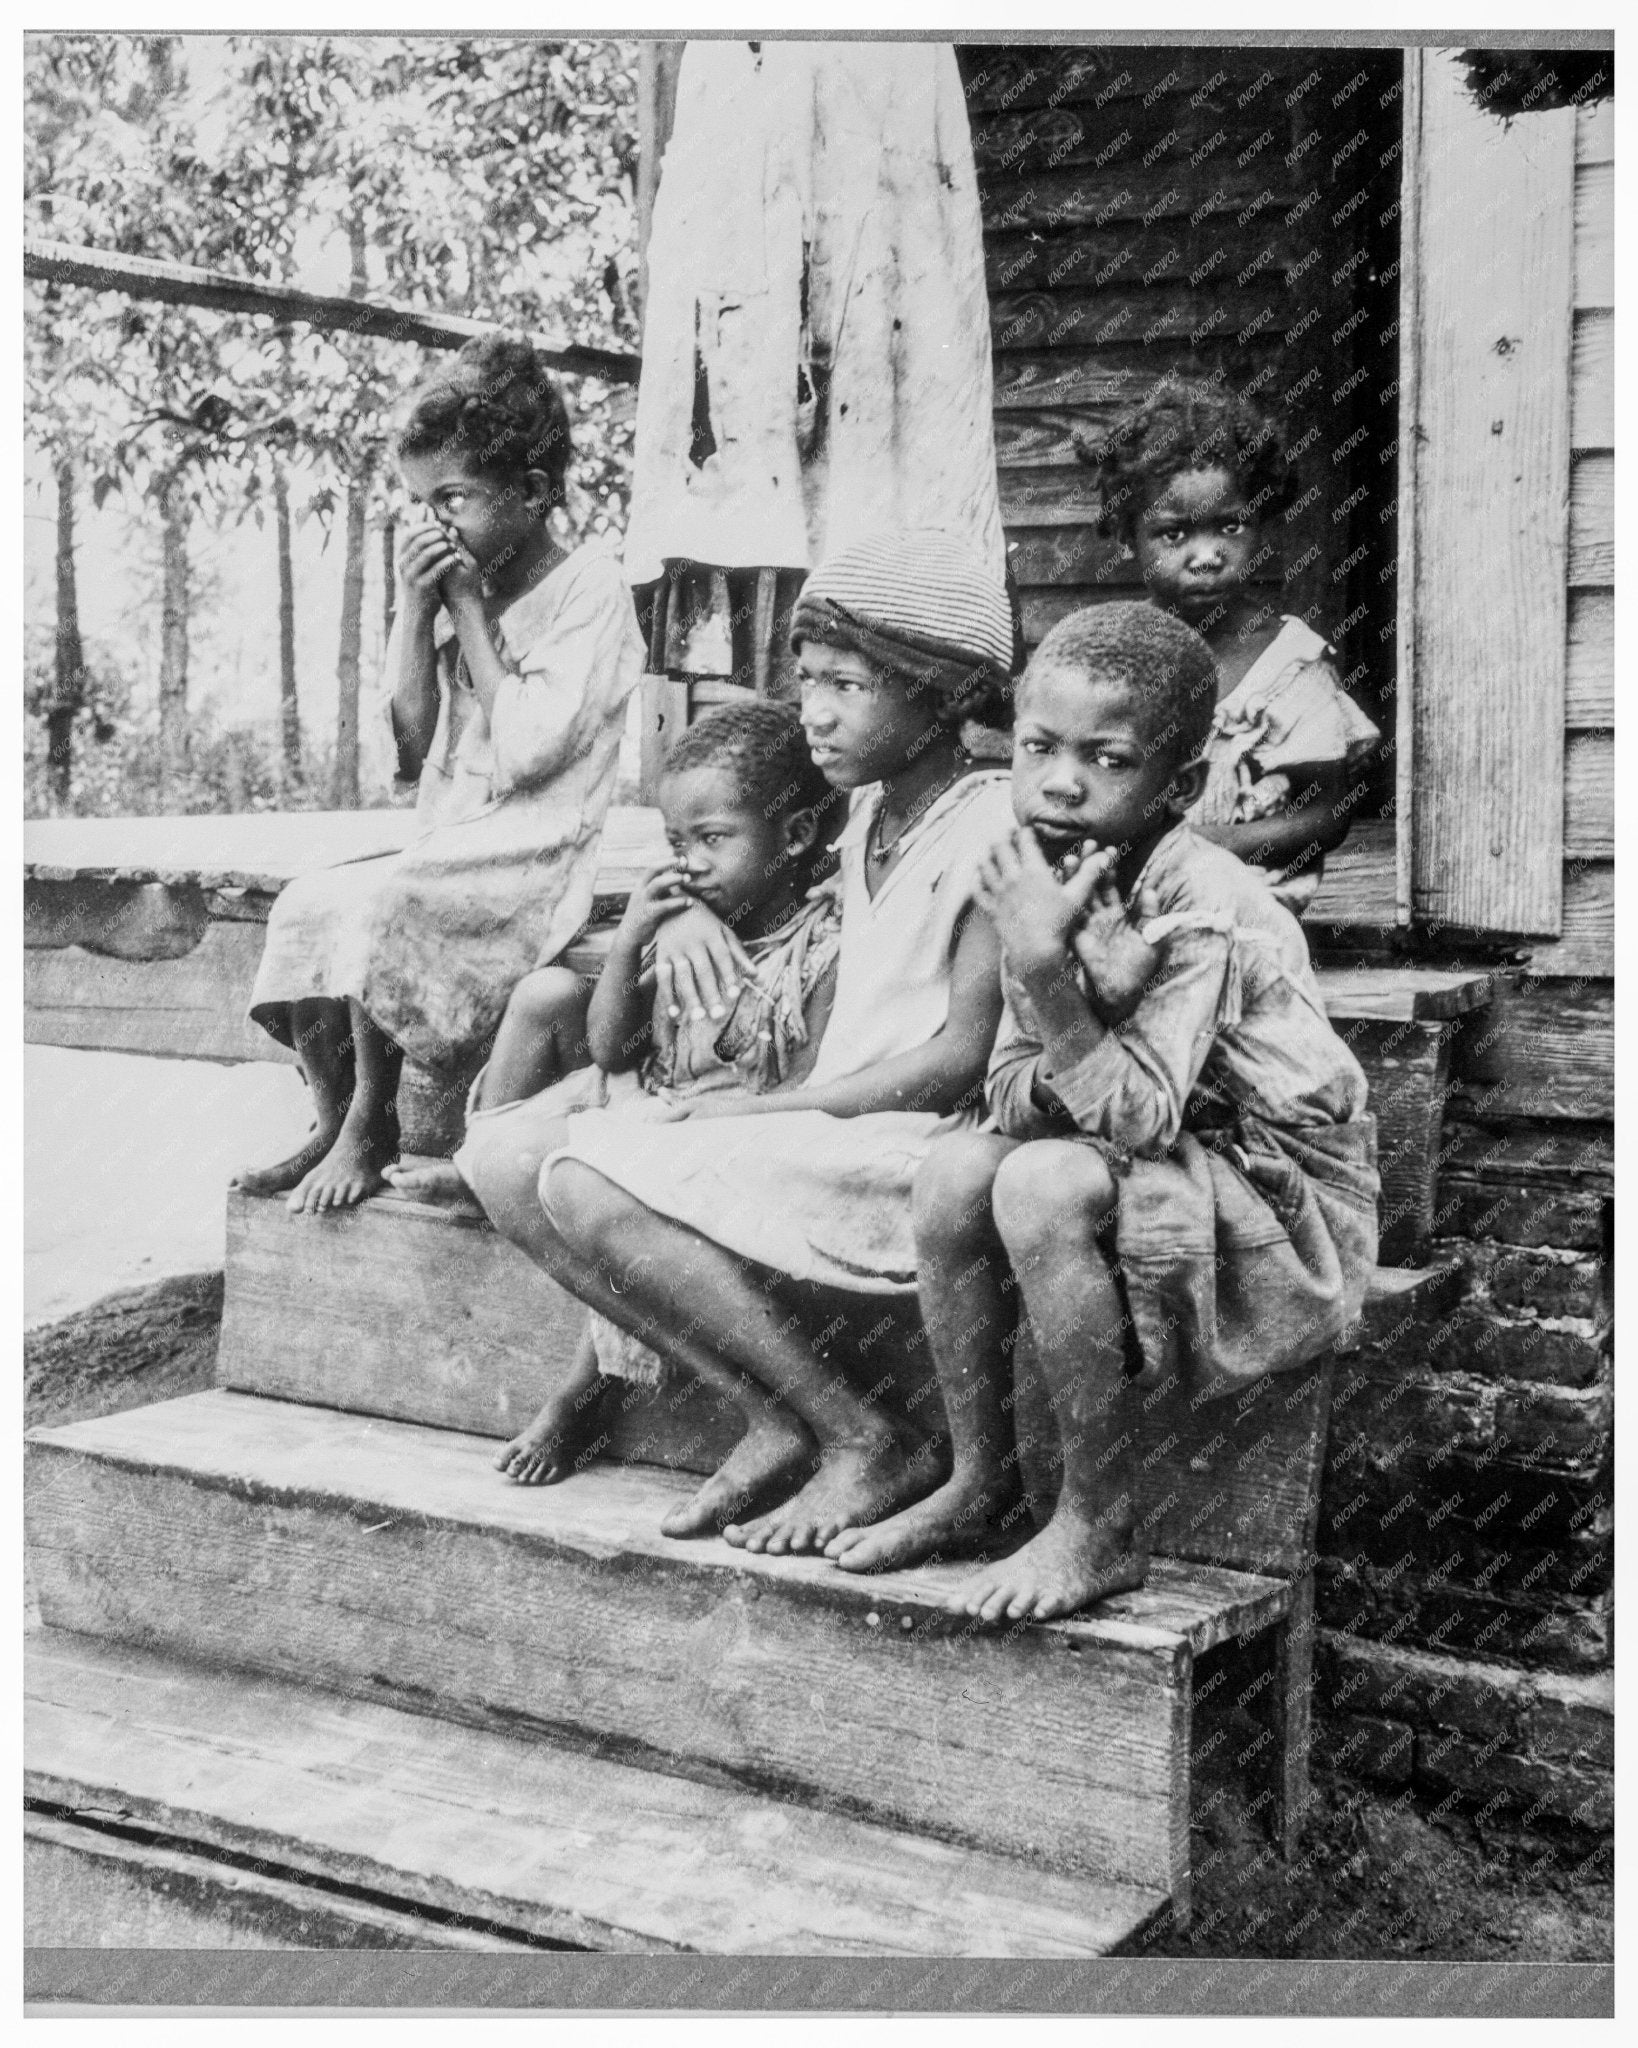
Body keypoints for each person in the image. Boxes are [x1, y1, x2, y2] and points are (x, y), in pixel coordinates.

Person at [459, 528, 1016, 1550]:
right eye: (808, 681)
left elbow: (958, 1061)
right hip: (825, 1126)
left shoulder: (990, 827)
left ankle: (863, 1432)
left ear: (942, 694)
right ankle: (772, 1414)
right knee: (503, 1160)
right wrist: (680, 913)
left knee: (582, 1181)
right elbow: (746, 845)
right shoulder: (864, 816)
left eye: (849, 685)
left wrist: (767, 1110)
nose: (816, 712)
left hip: (911, 1146)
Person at [826, 603, 1380, 1623]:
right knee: (956, 1168)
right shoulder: (1038, 870)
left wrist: (1051, 980)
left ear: (1179, 785)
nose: (1063, 781)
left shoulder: (1205, 904)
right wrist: (1074, 1006)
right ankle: (983, 1477)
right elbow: (1003, 1085)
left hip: (1286, 1201)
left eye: (1108, 758)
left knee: (1041, 1181)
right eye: (1039, 746)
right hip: (1173, 1156)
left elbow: (1138, 1120)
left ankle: (1100, 1520)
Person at [388, 700, 846, 1484]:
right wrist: (639, 929)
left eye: (713, 839)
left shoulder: (815, 947)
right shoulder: (690, 915)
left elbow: (781, 1090)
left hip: (711, 1128)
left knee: (601, 1194)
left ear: (796, 835)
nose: (689, 864)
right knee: (546, 1000)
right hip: (645, 1091)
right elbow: (609, 1048)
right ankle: (483, 1171)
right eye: (676, 843)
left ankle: (584, 1390)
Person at [238, 333, 644, 1211]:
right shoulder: (462, 581)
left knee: (386, 901)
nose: (434, 524)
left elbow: (529, 751)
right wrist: (417, 611)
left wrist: (464, 606)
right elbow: (412, 742)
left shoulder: (591, 588)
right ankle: (331, 1115)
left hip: (535, 853)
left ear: (531, 492)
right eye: (421, 502)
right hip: (450, 839)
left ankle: (371, 1121)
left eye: (452, 499)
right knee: (307, 903)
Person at [1084, 377, 1379, 912]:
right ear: (1128, 538)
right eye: (1174, 534)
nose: (1207, 555)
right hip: (1125, 890)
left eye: (1230, 527)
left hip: (1248, 902)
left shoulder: (1287, 666)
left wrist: (1194, 850)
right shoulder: (1114, 652)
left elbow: (1327, 815)